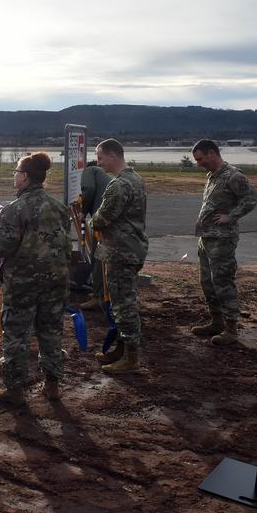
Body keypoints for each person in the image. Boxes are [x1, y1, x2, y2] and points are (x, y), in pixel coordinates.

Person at [0, 152, 70, 404]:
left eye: (15, 172)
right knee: (51, 333)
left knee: (16, 336)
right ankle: (53, 385)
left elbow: (0, 246)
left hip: (23, 284)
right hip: (56, 281)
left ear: (24, 177)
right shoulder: (59, 207)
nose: (14, 176)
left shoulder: (15, 209)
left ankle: (15, 389)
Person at [190, 139, 257, 345]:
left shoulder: (233, 176)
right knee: (207, 283)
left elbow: (252, 198)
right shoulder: (212, 176)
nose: (199, 163)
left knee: (222, 282)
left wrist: (231, 216)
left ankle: (231, 329)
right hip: (207, 238)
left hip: (222, 239)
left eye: (200, 159)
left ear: (212, 153)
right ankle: (217, 321)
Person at [90, 139, 148, 374]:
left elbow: (101, 219)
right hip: (129, 248)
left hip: (120, 252)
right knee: (123, 301)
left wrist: (90, 221)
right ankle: (123, 349)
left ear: (114, 155)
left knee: (123, 305)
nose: (98, 161)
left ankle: (131, 358)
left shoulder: (119, 185)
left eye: (100, 156)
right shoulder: (136, 179)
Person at [79, 160, 113, 311]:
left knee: (98, 258)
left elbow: (88, 188)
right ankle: (101, 292)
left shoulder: (90, 170)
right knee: (101, 257)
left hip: (102, 222)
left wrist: (83, 211)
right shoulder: (104, 177)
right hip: (107, 221)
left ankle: (100, 297)